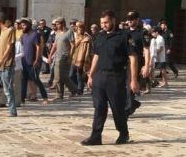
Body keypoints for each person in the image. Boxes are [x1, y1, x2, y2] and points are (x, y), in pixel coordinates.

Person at [81, 10, 139, 146]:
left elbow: (133, 57)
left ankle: (123, 133)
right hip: (100, 77)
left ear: (113, 20)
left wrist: (134, 79)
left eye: (106, 22)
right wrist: (91, 75)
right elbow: (96, 56)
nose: (103, 25)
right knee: (99, 107)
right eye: (102, 23)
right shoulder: (100, 36)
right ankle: (96, 136)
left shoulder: (124, 36)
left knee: (117, 108)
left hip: (116, 77)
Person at [48, 17, 78, 100]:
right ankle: (60, 94)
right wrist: (50, 55)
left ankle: (73, 89)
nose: (56, 26)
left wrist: (70, 57)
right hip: (57, 57)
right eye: (56, 24)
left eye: (58, 24)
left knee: (62, 76)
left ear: (63, 24)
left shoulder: (69, 32)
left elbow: (73, 45)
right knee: (58, 76)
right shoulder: (57, 33)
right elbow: (55, 45)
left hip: (65, 56)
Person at [20, 18, 48, 104]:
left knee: (36, 80)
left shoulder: (35, 34)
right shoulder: (23, 35)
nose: (22, 27)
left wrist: (37, 60)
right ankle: (22, 99)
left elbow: (38, 47)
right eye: (22, 25)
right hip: (24, 61)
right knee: (24, 80)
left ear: (29, 25)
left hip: (32, 62)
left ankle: (45, 97)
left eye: (24, 25)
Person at [70, 20, 92, 95]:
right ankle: (78, 86)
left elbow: (89, 49)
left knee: (79, 75)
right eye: (76, 27)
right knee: (71, 75)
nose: (76, 28)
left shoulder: (87, 37)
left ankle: (80, 89)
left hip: (81, 58)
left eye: (77, 27)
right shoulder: (74, 35)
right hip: (74, 58)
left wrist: (87, 58)